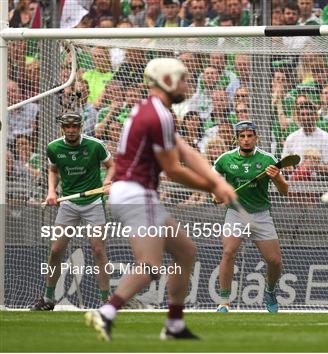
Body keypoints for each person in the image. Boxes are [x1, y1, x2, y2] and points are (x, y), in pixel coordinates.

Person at [84, 58, 236, 341]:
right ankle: (106, 312)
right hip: (137, 193)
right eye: (182, 79)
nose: (187, 85)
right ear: (166, 81)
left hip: (132, 192)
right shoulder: (158, 115)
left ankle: (174, 324)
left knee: (185, 251)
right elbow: (173, 169)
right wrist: (212, 187)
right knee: (151, 265)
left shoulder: (154, 110)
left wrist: (217, 182)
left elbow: (186, 151)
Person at [31, 113, 114, 310]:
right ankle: (48, 298)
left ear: (80, 127)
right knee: (56, 250)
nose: (70, 130)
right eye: (67, 126)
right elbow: (53, 170)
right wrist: (52, 191)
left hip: (93, 202)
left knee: (98, 249)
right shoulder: (54, 147)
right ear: (62, 127)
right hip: (68, 203)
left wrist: (108, 181)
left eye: (74, 126)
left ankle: (106, 300)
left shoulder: (95, 145)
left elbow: (111, 166)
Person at [213, 120, 289, 313]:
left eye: (250, 136)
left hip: (261, 214)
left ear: (256, 137)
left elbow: (284, 191)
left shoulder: (267, 159)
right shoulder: (225, 159)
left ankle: (270, 292)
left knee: (275, 261)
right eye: (242, 136)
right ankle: (224, 301)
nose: (246, 140)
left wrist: (277, 176)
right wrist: (215, 194)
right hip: (236, 213)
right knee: (229, 252)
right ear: (237, 138)